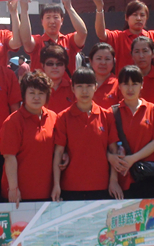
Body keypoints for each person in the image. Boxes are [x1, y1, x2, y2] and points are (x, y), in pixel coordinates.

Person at [52, 67, 121, 201]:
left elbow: (114, 150)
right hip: (70, 187)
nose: (84, 91)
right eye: (80, 86)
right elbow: (58, 153)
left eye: (89, 86)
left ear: (95, 87)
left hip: (101, 186)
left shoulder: (106, 116)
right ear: (72, 88)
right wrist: (56, 185)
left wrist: (114, 180)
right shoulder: (63, 117)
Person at [108, 65, 154, 199]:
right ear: (119, 86)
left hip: (148, 176)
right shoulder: (112, 113)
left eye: (134, 84)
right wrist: (113, 180)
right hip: (122, 178)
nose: (130, 89)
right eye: (125, 84)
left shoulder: (152, 109)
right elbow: (110, 147)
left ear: (142, 85)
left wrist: (132, 159)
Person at [0, 71, 57, 205]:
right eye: (32, 93)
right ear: (24, 94)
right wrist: (13, 188)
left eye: (41, 93)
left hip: (47, 192)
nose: (36, 97)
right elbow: (9, 157)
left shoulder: (53, 117)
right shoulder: (13, 121)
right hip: (19, 195)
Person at [19, 0, 87, 75]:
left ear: (62, 21)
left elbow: (83, 33)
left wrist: (69, 7)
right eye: (48, 17)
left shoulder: (69, 40)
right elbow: (26, 40)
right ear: (42, 21)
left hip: (65, 83)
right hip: (41, 83)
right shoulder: (37, 42)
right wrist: (24, 10)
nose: (52, 21)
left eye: (55, 17)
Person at [41, 45, 75, 114]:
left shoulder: (74, 88)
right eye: (50, 63)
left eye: (59, 63)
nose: (55, 67)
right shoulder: (36, 88)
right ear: (43, 65)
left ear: (65, 66)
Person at [130, 36, 154, 104]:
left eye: (145, 51)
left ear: (153, 53)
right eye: (137, 52)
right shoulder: (125, 78)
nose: (141, 56)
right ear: (132, 55)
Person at [89, 43, 121, 108]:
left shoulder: (119, 85)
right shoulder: (83, 83)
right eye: (99, 58)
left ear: (113, 61)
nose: (103, 63)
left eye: (107, 59)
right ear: (91, 61)